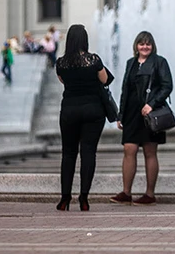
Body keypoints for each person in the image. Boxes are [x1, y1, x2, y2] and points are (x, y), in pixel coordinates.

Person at [112, 31, 173, 206]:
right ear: (136, 46)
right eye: (141, 44)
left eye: (148, 44)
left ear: (152, 46)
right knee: (128, 150)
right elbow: (125, 90)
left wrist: (152, 104)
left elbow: (167, 86)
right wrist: (120, 114)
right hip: (132, 113)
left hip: (150, 113)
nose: (145, 47)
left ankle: (150, 194)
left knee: (150, 152)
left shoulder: (159, 62)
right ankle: (126, 192)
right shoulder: (131, 63)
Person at [55, 24, 111, 212]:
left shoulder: (61, 63)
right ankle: (84, 198)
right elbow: (105, 80)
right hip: (93, 111)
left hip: (69, 110)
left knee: (68, 154)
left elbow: (63, 81)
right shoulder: (93, 60)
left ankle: (64, 198)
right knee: (88, 152)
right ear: (84, 40)